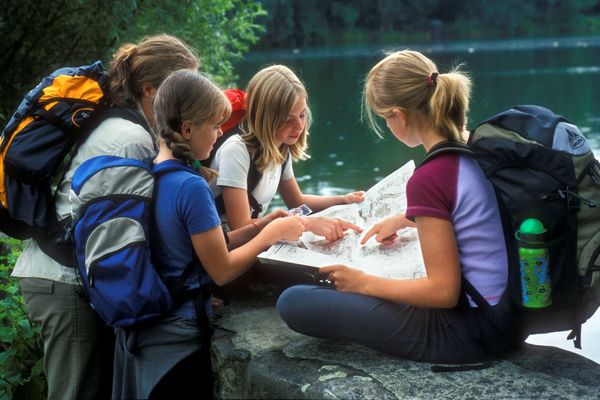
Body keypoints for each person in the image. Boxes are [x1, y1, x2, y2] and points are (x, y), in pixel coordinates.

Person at [277, 50, 522, 365]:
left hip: (470, 333)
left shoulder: (431, 176)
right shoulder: (473, 146)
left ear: (399, 115)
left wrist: (362, 283)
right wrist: (408, 219)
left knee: (294, 301)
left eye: (384, 118)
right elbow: (474, 218)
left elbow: (444, 291)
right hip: (506, 318)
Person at [11, 34, 200, 400]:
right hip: (64, 284)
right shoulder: (129, 137)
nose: (188, 99)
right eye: (181, 88)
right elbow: (115, 239)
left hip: (64, 276)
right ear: (150, 90)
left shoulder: (126, 126)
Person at [112, 69, 306, 399]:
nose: (220, 134)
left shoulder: (155, 171)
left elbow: (206, 246)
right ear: (188, 129)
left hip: (146, 333)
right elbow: (222, 268)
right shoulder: (191, 186)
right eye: (216, 125)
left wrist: (260, 224)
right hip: (178, 339)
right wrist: (270, 234)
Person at [209, 64, 365, 233]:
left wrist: (342, 200)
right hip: (226, 249)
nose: (299, 126)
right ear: (266, 118)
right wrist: (308, 224)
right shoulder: (236, 151)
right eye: (287, 119)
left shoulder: (281, 148)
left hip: (253, 240)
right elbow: (239, 228)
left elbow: (297, 202)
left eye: (302, 115)